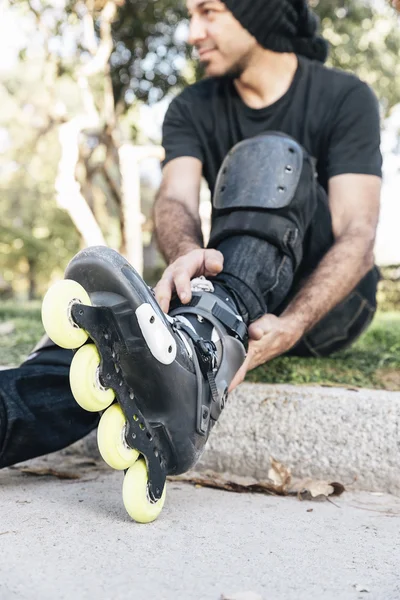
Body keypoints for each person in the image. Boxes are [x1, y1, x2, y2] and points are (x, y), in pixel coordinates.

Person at [0, 0, 382, 471]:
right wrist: (187, 256)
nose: (191, 32)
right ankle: (193, 350)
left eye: (208, 12)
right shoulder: (191, 106)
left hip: (327, 303)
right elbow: (176, 200)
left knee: (271, 155)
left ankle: (204, 337)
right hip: (234, 283)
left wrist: (295, 323)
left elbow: (358, 236)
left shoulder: (344, 96)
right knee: (120, 344)